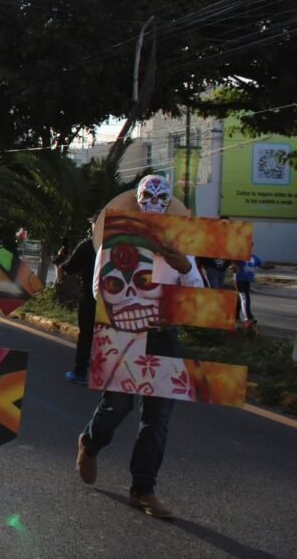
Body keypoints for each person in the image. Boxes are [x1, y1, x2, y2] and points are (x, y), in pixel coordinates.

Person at [76, 174, 204, 520]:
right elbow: (98, 290)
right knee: (117, 407)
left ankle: (143, 489)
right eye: (148, 197)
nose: (153, 204)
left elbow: (198, 294)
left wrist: (183, 266)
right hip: (124, 333)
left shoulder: (181, 245)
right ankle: (90, 442)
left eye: (160, 199)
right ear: (137, 201)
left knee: (158, 417)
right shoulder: (116, 241)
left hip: (165, 335)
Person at [61, 234, 98, 386]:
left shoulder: (89, 244)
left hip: (90, 298)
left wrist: (61, 259)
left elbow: (69, 268)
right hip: (117, 301)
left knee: (86, 337)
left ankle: (80, 372)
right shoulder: (125, 243)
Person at [234, 250, 263, 330]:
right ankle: (248, 318)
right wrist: (235, 266)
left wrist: (271, 266)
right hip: (239, 280)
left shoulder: (254, 257)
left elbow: (262, 265)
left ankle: (235, 317)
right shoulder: (241, 255)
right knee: (245, 298)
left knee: (240, 299)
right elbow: (233, 260)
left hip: (247, 281)